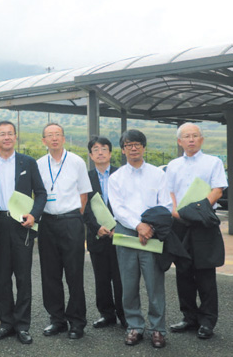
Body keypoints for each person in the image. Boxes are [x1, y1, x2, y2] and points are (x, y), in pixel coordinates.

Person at [0, 121, 46, 345]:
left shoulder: (27, 162)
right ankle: (6, 323)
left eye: (10, 133)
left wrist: (34, 215)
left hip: (21, 223)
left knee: (23, 277)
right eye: (2, 134)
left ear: (15, 137)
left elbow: (40, 193)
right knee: (0, 278)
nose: (7, 137)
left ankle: (22, 326)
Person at [109, 129, 172, 348]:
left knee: (155, 285)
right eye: (128, 144)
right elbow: (117, 208)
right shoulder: (116, 177)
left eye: (137, 144)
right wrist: (138, 225)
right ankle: (134, 326)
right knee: (128, 285)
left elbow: (165, 205)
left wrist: (149, 227)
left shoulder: (158, 174)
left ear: (144, 147)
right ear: (123, 149)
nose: (133, 148)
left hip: (152, 234)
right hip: (127, 234)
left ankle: (158, 329)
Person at [166, 123, 228, 339]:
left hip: (203, 223)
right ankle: (189, 317)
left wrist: (197, 210)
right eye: (186, 136)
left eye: (195, 136)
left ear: (201, 140)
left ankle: (207, 321)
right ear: (179, 141)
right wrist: (178, 213)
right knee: (183, 272)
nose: (191, 139)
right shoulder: (172, 165)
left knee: (205, 273)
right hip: (180, 223)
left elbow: (218, 190)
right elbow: (170, 193)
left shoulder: (213, 162)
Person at [36, 123, 91, 339]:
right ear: (44, 140)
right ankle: (56, 319)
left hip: (71, 221)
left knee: (74, 273)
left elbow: (84, 195)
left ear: (64, 138)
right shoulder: (38, 164)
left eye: (57, 134)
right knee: (50, 274)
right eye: (49, 135)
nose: (54, 138)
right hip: (47, 222)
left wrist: (74, 218)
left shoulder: (76, 161)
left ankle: (77, 322)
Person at [83, 136, 125, 329]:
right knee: (101, 278)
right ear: (91, 155)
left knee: (122, 277)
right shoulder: (85, 178)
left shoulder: (121, 174)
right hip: (97, 234)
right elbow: (83, 207)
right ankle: (106, 314)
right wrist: (96, 227)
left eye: (104, 149)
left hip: (120, 233)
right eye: (96, 149)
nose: (100, 152)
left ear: (110, 152)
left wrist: (120, 225)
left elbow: (128, 203)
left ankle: (125, 315)